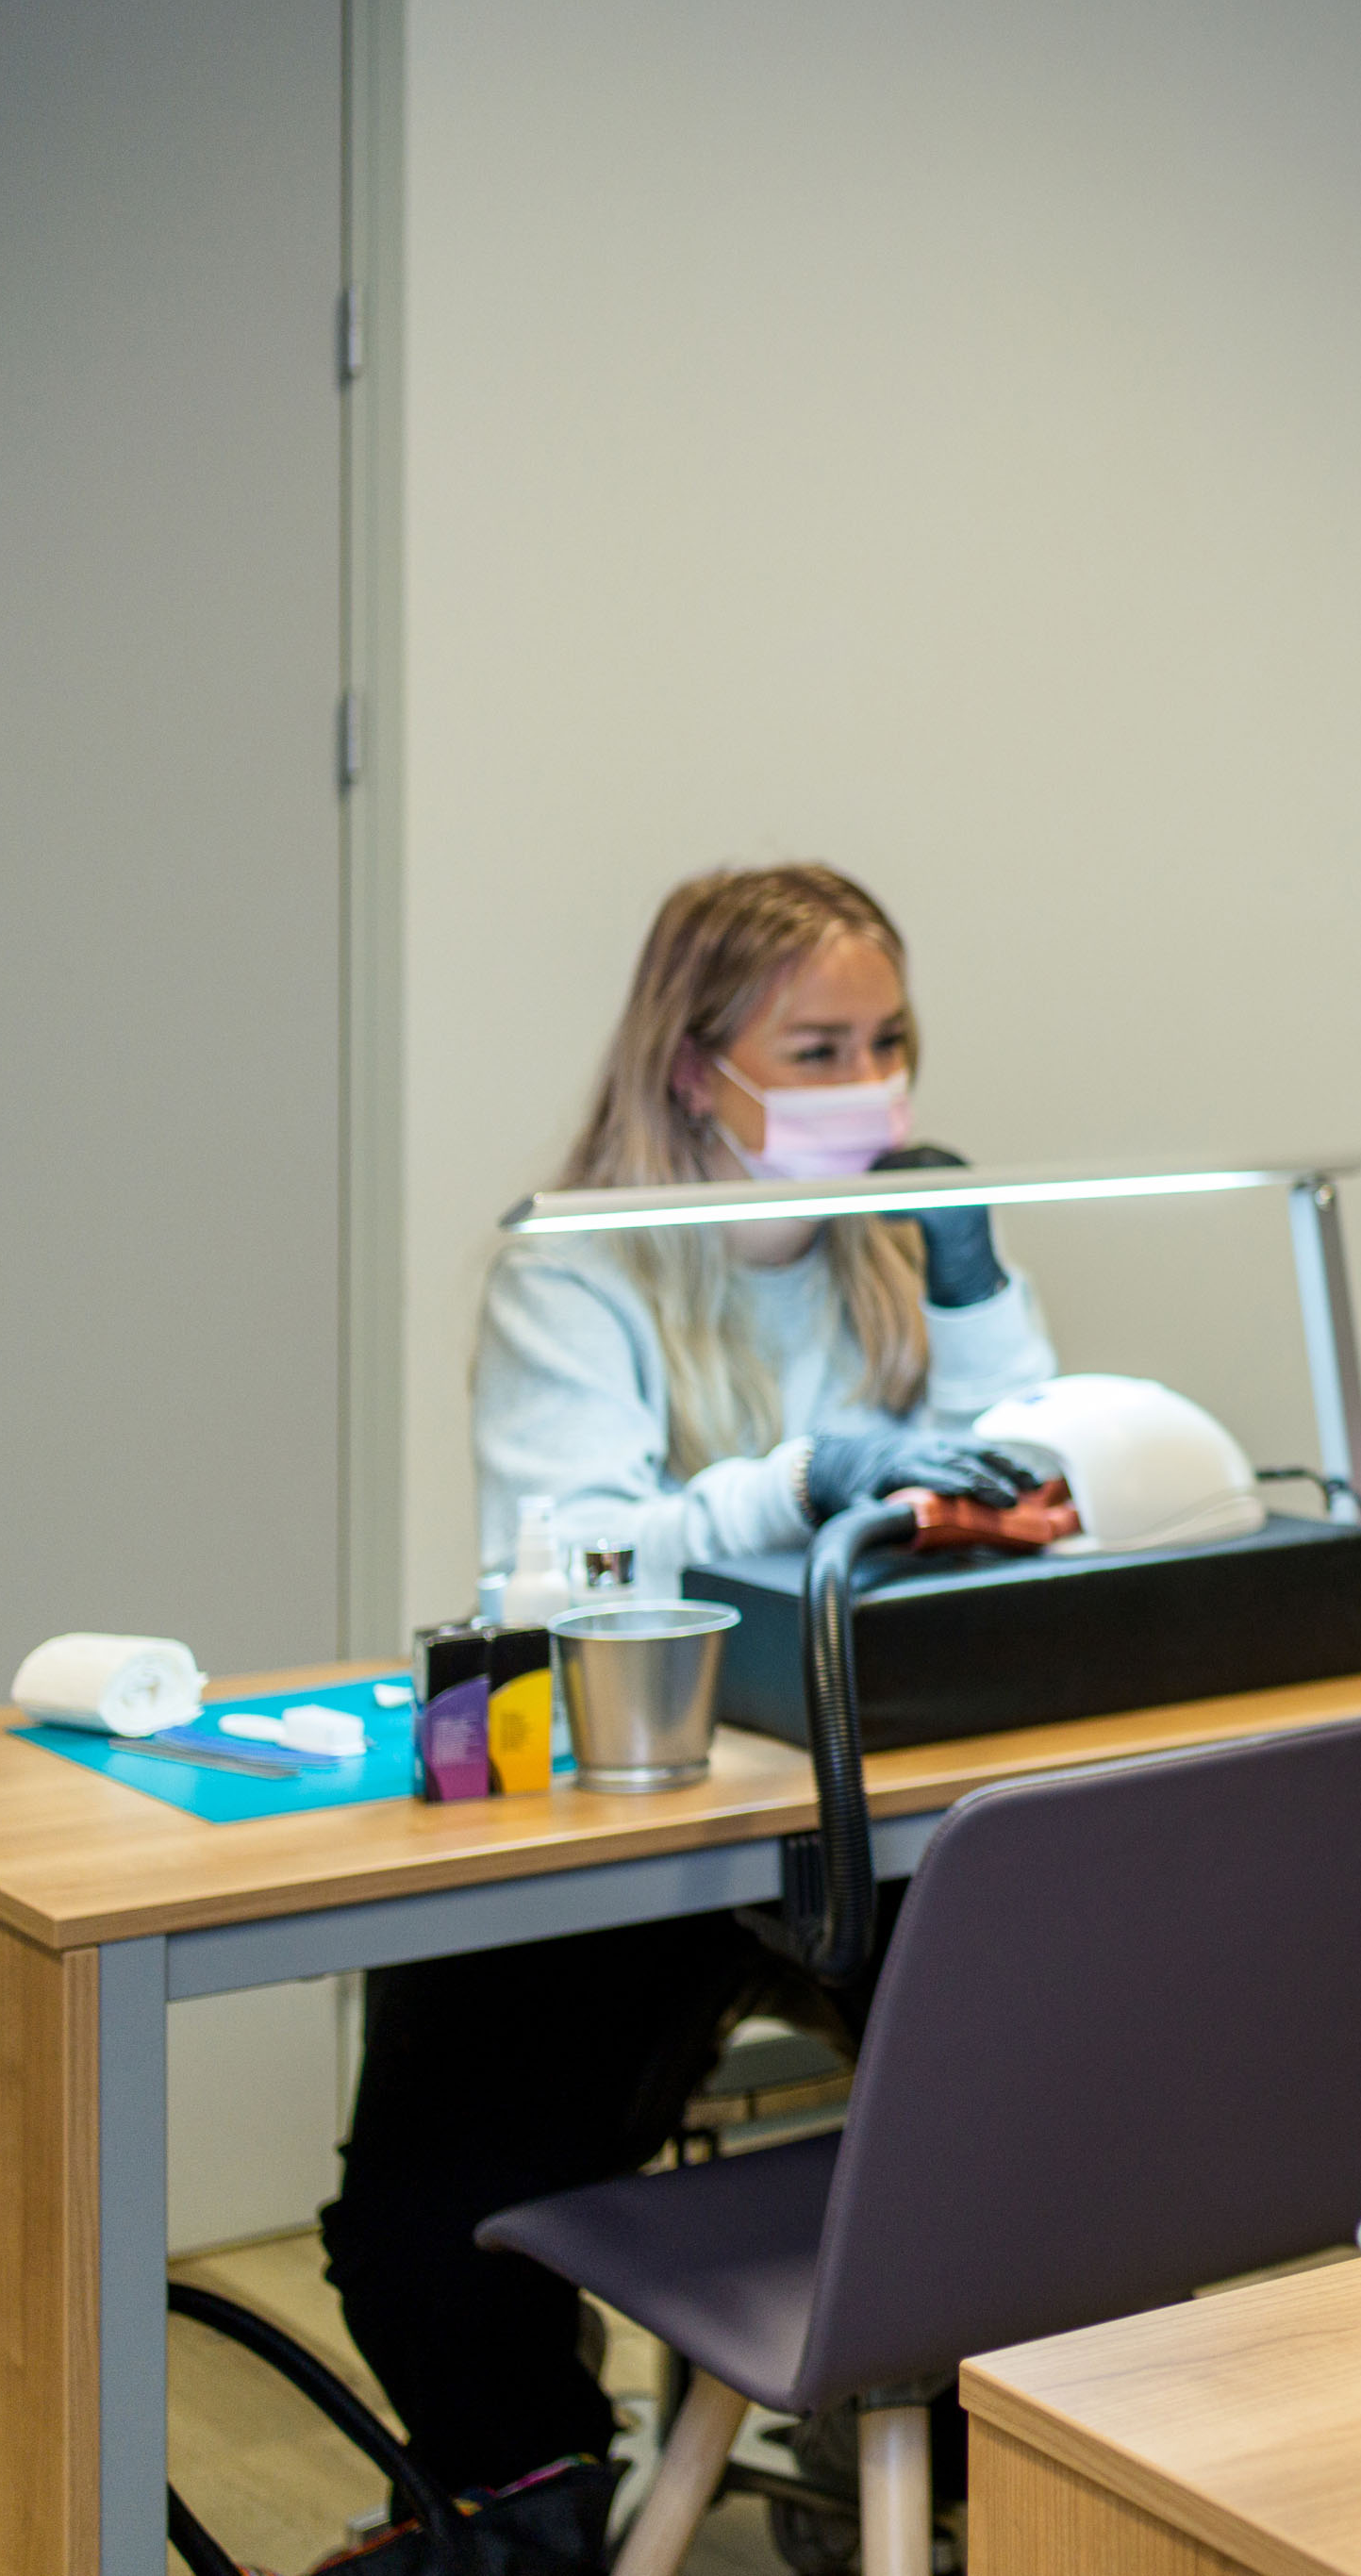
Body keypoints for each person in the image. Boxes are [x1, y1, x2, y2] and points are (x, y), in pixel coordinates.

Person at [324, 862, 1053, 2492]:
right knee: (424, 2228)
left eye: (889, 1037)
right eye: (817, 1047)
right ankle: (538, 2489)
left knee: (1039, 2130)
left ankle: (969, 2477)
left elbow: (1042, 1475)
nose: (870, 1081)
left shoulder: (884, 1251)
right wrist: (803, 1478)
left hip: (879, 1800)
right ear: (690, 1063)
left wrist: (975, 1289)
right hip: (634, 1817)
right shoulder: (577, 1266)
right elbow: (564, 1563)